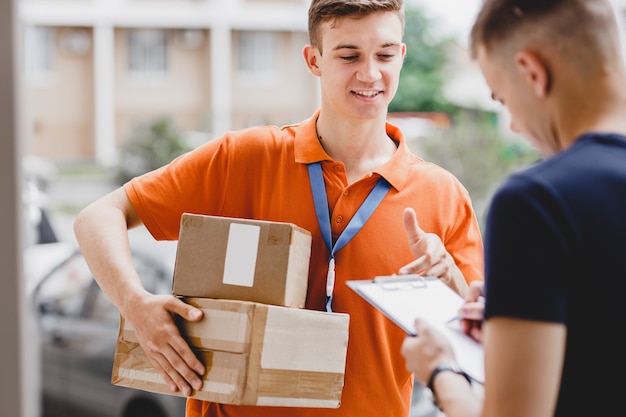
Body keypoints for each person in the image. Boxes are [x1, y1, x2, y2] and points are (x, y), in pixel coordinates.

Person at [74, 1, 484, 416]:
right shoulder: (245, 157)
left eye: (385, 54)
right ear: (314, 60)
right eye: (349, 55)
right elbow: (98, 217)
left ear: (402, 56)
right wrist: (135, 304)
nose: (370, 73)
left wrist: (448, 278)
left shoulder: (443, 195)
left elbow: (481, 344)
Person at [401, 1, 626, 416]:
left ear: (532, 73)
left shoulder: (536, 203)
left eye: (502, 99)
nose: (516, 127)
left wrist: (439, 371)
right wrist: (530, 314)